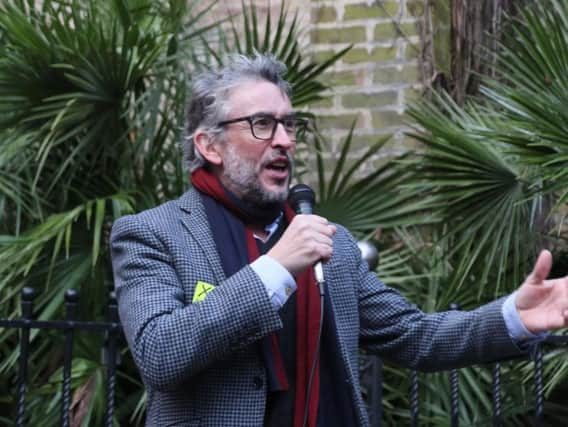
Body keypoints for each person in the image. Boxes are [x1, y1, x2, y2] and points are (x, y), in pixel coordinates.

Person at [110, 53, 568, 427]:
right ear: (210, 146)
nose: (286, 140)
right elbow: (160, 354)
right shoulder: (155, 233)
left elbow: (415, 336)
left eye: (291, 125)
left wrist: (514, 317)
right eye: (262, 124)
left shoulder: (331, 242)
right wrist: (274, 268)